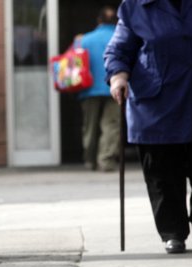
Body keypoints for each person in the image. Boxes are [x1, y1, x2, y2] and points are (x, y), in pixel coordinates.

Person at [105, 0, 192, 254]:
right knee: (162, 173)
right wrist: (118, 76)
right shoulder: (136, 6)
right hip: (156, 104)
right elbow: (118, 49)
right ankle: (173, 232)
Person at [77, 6, 120, 172]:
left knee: (90, 126)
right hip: (115, 87)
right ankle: (106, 160)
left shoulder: (84, 40)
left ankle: (90, 160)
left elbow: (69, 65)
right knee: (111, 125)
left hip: (89, 89)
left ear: (99, 20)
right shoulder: (121, 38)